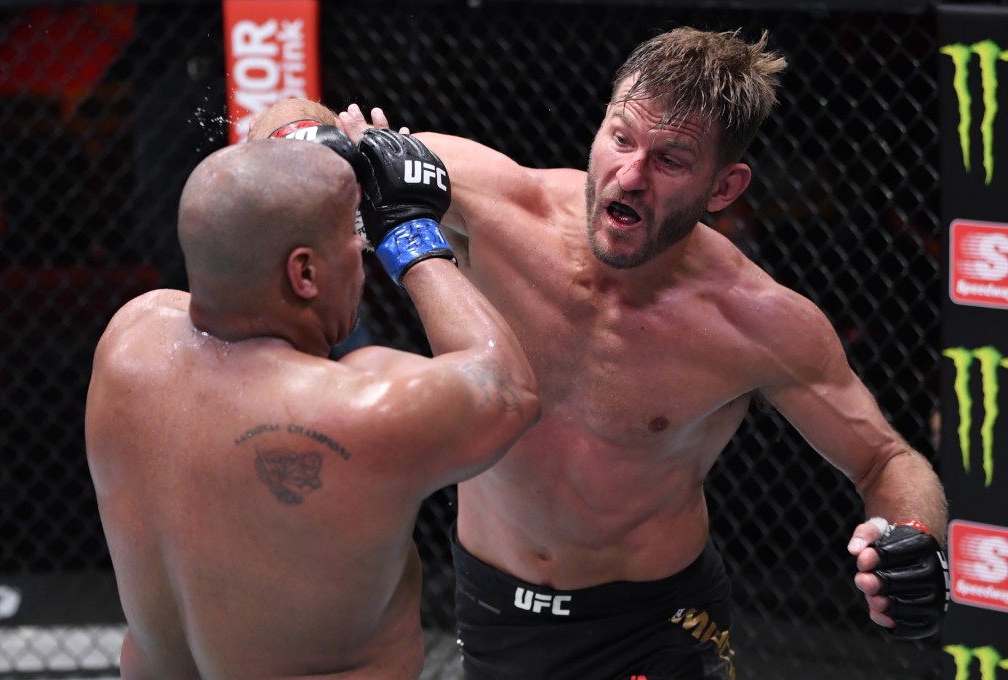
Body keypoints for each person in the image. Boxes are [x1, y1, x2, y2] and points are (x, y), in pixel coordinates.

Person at [332, 25, 949, 680]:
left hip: (656, 628)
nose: (629, 176)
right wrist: (339, 156)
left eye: (671, 161)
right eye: (621, 138)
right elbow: (296, 141)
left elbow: (885, 457)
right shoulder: (499, 205)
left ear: (724, 187)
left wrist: (910, 537)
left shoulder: (755, 320)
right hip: (490, 607)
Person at [84, 131, 540, 679]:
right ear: (304, 274)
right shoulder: (359, 407)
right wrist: (409, 233)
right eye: (354, 239)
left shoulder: (129, 340)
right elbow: (509, 388)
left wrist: (301, 151)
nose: (363, 256)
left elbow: (238, 225)